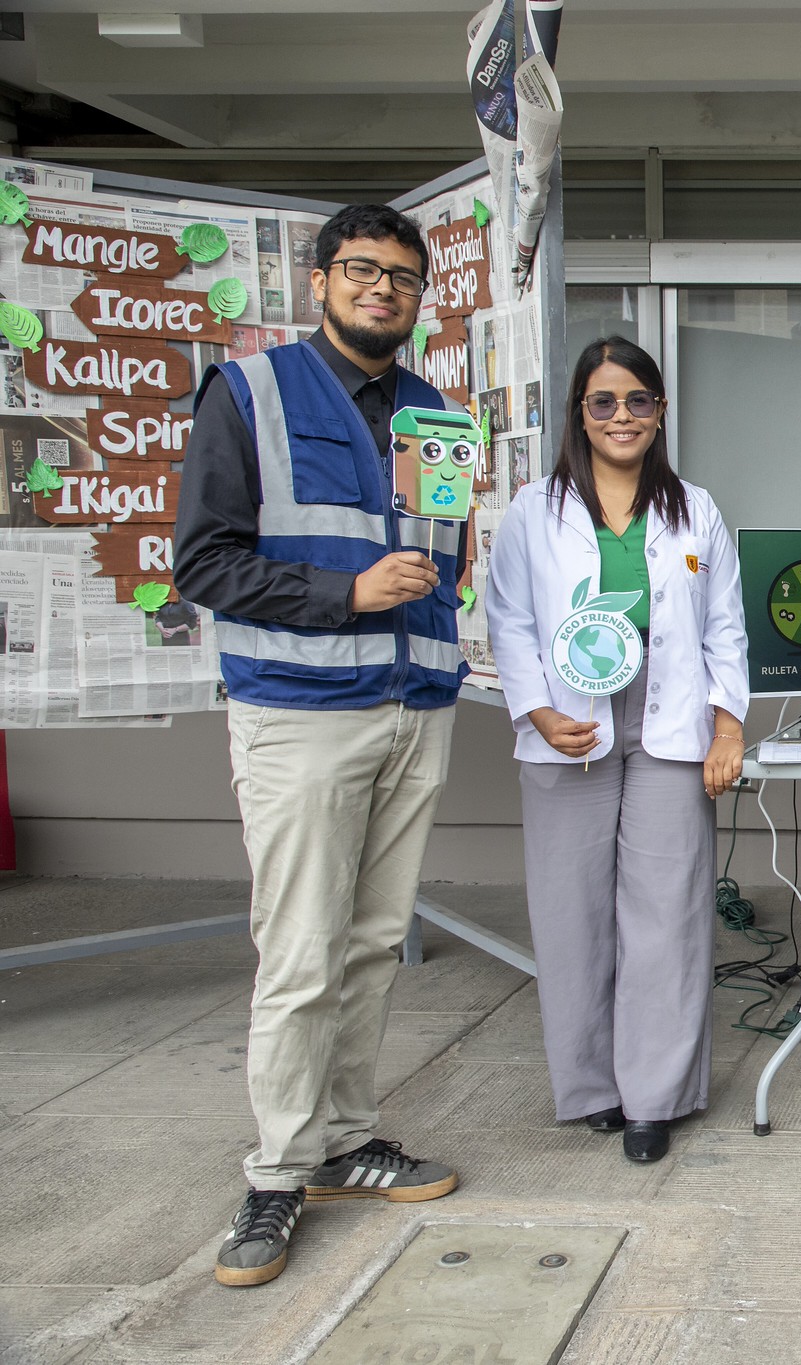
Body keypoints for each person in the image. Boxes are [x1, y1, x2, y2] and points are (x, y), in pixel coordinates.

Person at [175, 204, 465, 1288]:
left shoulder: (436, 413)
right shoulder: (248, 392)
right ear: (321, 281)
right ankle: (278, 1172)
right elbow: (204, 562)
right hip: (301, 710)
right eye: (362, 270)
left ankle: (345, 1140)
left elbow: (441, 554)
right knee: (300, 953)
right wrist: (344, 593)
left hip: (413, 706)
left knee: (372, 942)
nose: (383, 289)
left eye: (402, 276)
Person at [486, 337, 747, 1164]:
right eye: (603, 401)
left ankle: (654, 1097)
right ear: (580, 411)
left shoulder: (695, 510)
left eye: (638, 400)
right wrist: (534, 708)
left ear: (660, 411)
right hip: (570, 725)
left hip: (670, 724)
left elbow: (725, 627)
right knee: (571, 913)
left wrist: (728, 726)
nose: (621, 416)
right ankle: (594, 1085)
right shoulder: (534, 511)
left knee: (667, 913)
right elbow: (508, 618)